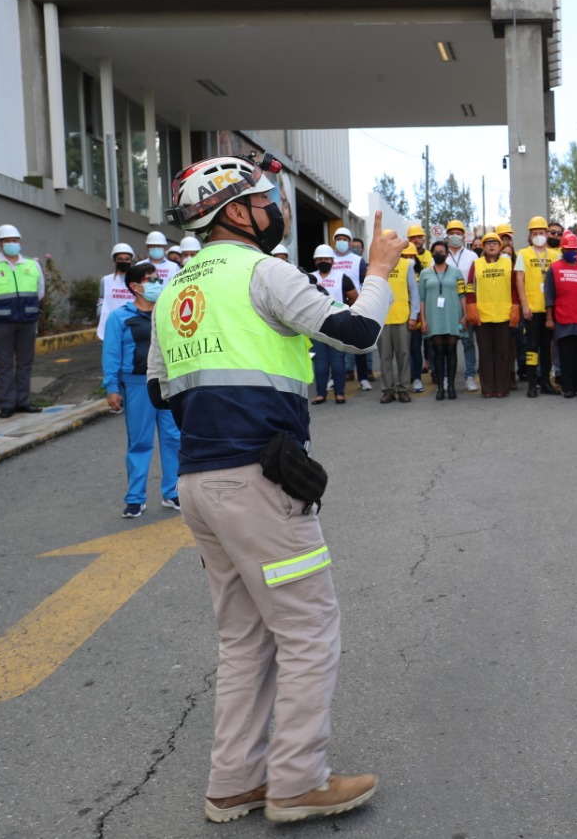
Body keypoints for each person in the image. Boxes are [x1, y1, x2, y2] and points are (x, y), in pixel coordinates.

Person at [151, 153, 403, 823]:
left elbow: (159, 386)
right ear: (235, 211)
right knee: (308, 626)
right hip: (260, 482)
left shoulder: (175, 290)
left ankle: (233, 779)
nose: (276, 209)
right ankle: (295, 780)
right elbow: (352, 333)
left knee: (243, 636)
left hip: (200, 483)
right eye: (265, 198)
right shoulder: (262, 271)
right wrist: (378, 269)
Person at [101, 261, 181, 517]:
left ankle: (173, 492)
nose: (158, 284)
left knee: (174, 439)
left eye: (158, 279)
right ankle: (135, 497)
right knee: (140, 442)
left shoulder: (168, 312)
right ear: (135, 286)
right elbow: (111, 353)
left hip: (168, 382)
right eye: (151, 280)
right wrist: (112, 387)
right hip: (137, 385)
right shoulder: (120, 317)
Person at [0, 224, 45, 417]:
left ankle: (23, 401)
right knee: (3, 363)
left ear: (20, 242)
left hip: (27, 321)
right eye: (7, 241)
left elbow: (40, 291)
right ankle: (7, 404)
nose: (12, 244)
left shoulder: (32, 264)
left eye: (15, 240)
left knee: (25, 362)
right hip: (1, 323)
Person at [464, 232, 517, 397]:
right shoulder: (476, 264)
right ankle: (487, 388)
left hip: (504, 314)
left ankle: (502, 387)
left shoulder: (508, 263)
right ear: (484, 247)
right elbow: (469, 287)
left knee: (503, 353)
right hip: (483, 316)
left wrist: (516, 307)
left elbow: (515, 287)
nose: (491, 246)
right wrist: (471, 307)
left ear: (500, 246)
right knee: (485, 354)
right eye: (488, 243)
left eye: (495, 243)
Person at [546, 232, 577, 398]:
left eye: (575, 249)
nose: (572, 252)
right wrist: (549, 317)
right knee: (566, 356)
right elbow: (549, 295)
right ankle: (568, 388)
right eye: (568, 249)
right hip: (563, 319)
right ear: (562, 250)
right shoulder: (553, 269)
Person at [514, 215, 559, 397]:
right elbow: (519, 279)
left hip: (549, 308)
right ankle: (532, 383)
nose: (538, 235)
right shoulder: (523, 254)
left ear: (547, 234)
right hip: (532, 309)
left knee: (547, 347)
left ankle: (546, 382)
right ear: (530, 235)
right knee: (532, 347)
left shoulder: (556, 255)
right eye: (535, 233)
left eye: (541, 232)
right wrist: (524, 305)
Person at [309, 244, 358, 404]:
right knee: (320, 362)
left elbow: (353, 296)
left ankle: (339, 393)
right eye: (320, 259)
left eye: (326, 259)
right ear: (315, 261)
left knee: (337, 361)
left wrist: (344, 312)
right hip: (316, 325)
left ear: (332, 260)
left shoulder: (342, 277)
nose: (323, 261)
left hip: (337, 325)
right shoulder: (309, 278)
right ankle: (321, 394)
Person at [418, 240, 465, 400]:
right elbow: (422, 298)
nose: (439, 253)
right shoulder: (425, 273)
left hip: (452, 315)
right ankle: (440, 387)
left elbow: (462, 295)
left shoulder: (456, 272)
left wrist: (464, 315)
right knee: (437, 352)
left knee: (451, 351)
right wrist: (423, 320)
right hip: (433, 317)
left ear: (446, 254)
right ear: (431, 253)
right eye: (436, 251)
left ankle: (451, 386)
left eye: (442, 251)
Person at [330, 226, 372, 391]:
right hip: (334, 308)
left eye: (345, 239)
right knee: (335, 346)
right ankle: (334, 378)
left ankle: (363, 378)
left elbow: (365, 281)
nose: (341, 242)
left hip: (356, 306)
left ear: (349, 242)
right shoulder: (328, 258)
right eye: (338, 239)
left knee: (357, 344)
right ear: (334, 241)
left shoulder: (357, 260)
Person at [377, 243, 419, 404]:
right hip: (382, 317)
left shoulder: (406, 265)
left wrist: (414, 315)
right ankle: (388, 390)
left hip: (402, 316)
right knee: (385, 357)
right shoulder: (377, 266)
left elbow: (413, 291)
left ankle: (403, 389)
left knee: (403, 355)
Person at [444, 219, 480, 393]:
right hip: (448, 304)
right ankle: (446, 377)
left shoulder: (472, 256)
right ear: (447, 236)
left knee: (467, 341)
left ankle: (469, 376)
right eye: (452, 233)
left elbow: (476, 281)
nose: (455, 236)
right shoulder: (442, 255)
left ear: (464, 236)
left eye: (458, 233)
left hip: (467, 301)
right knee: (446, 342)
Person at [404, 225, 434, 394]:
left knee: (428, 342)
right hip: (405, 312)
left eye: (419, 237)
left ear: (423, 239)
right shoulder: (399, 265)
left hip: (426, 306)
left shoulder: (428, 256)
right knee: (407, 348)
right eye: (412, 238)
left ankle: (429, 368)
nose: (416, 240)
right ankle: (409, 376)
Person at [97, 242, 136, 341]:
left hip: (133, 325)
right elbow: (101, 301)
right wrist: (99, 312)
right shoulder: (105, 281)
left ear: (131, 260)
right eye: (120, 259)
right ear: (114, 260)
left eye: (127, 259)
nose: (124, 262)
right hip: (112, 326)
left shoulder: (138, 280)